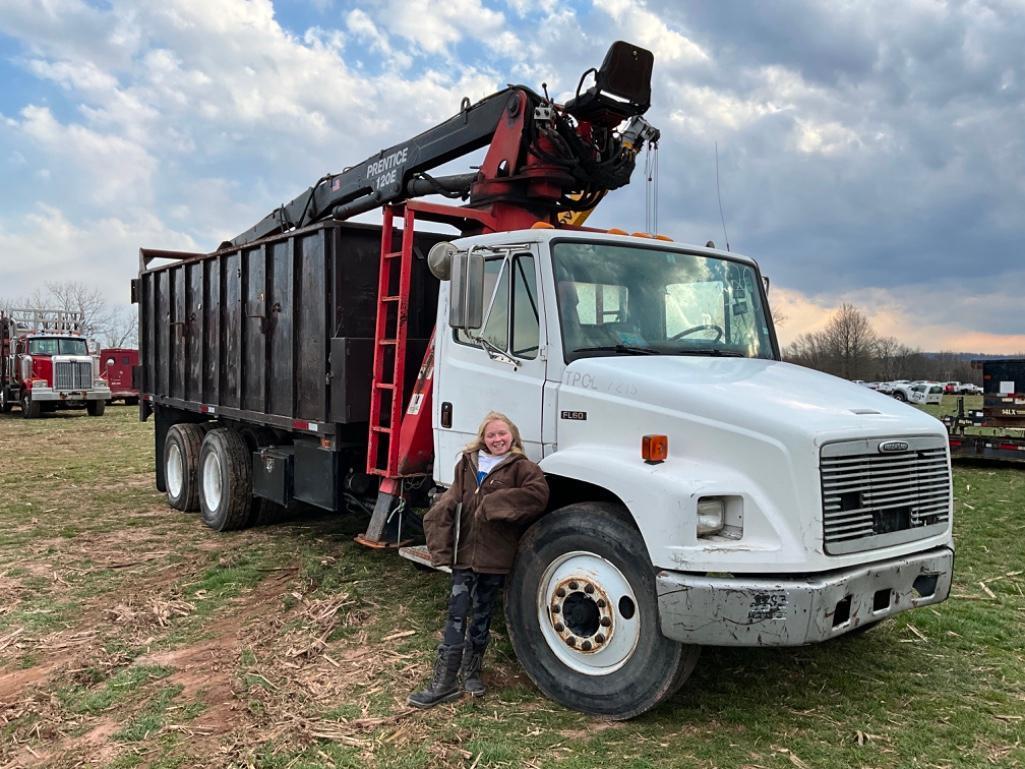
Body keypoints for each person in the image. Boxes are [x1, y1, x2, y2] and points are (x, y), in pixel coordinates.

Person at [408, 411, 549, 709]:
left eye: (502, 434)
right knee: (456, 613)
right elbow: (451, 502)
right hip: (464, 555)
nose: (497, 439)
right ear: (483, 438)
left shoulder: (523, 467)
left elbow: (537, 496)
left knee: (482, 614)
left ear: (512, 436)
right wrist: (440, 542)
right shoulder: (467, 464)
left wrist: (494, 504)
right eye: (491, 435)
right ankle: (444, 682)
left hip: (495, 557)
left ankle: (472, 672)